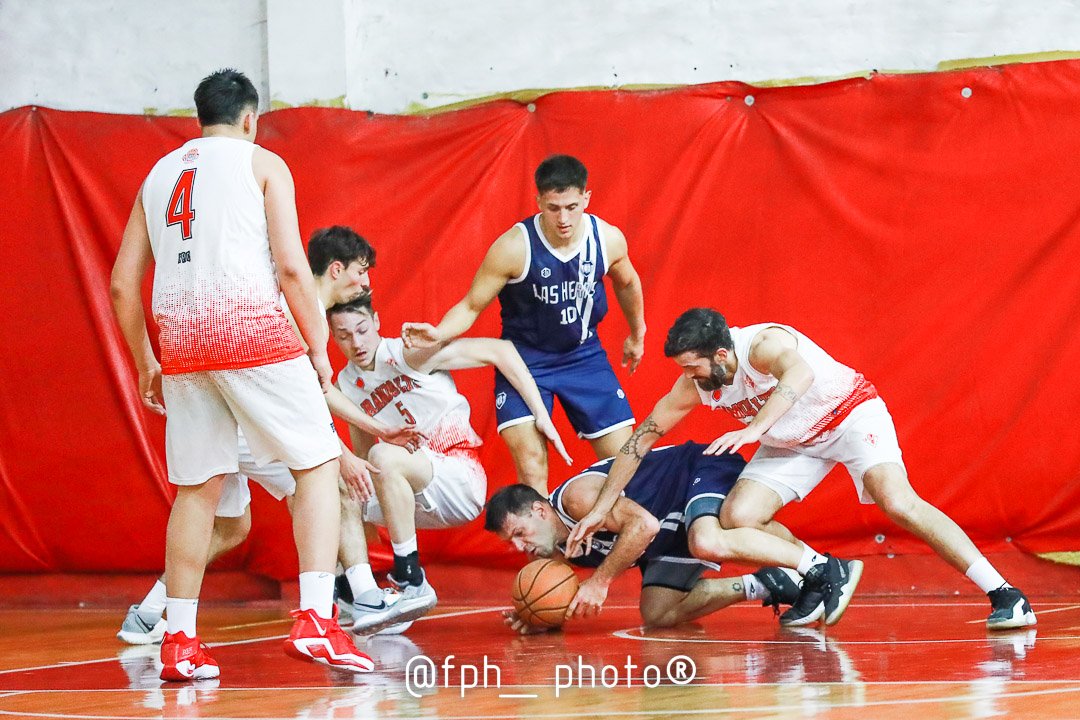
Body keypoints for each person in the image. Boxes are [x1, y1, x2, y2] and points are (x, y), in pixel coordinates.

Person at [110, 69, 372, 679]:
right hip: (248, 328)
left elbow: (124, 283)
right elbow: (288, 267)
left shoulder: (158, 174)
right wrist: (316, 347)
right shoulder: (262, 163)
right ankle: (316, 619)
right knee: (316, 463)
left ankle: (178, 640)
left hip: (180, 339)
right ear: (251, 118)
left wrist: (146, 359)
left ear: (198, 116)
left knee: (197, 489)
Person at [568, 309, 1036, 630]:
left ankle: (1003, 592)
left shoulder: (763, 344)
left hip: (848, 415)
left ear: (722, 355)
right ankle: (823, 573)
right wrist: (600, 508)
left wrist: (753, 430)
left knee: (897, 501)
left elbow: (800, 376)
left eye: (694, 368)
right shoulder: (695, 384)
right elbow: (639, 440)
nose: (690, 378)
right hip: (791, 441)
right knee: (736, 518)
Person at [116, 226, 419, 646]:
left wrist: (378, 428)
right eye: (362, 271)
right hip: (246, 419)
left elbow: (319, 390)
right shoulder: (299, 306)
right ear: (337, 269)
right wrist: (342, 452)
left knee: (229, 528)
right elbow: (304, 396)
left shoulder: (292, 302)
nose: (367, 281)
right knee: (333, 483)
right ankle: (363, 595)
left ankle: (149, 615)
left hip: (218, 405)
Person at [402, 155, 646, 491]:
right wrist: (438, 332)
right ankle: (542, 543)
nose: (564, 218)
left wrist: (637, 333)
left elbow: (628, 282)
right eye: (554, 207)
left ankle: (619, 540)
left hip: (583, 355)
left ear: (586, 198)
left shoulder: (607, 239)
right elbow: (471, 306)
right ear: (539, 202)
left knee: (625, 463)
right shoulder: (514, 247)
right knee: (532, 466)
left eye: (572, 207)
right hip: (525, 359)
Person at [330, 295, 572, 634]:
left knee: (383, 457)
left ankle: (411, 580)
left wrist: (542, 416)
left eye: (362, 330)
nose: (356, 342)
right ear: (331, 335)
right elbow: (364, 460)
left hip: (459, 476)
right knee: (331, 482)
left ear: (377, 321)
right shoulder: (344, 385)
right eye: (343, 335)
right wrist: (359, 520)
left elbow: (501, 351)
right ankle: (354, 595)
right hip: (409, 484)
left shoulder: (406, 353)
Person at [485, 443, 803, 631]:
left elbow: (644, 526)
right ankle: (768, 584)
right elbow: (556, 591)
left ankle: (813, 566)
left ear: (540, 511)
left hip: (696, 470)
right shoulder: (550, 547)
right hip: (669, 528)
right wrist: (537, 614)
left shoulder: (577, 499)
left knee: (707, 537)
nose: (517, 546)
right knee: (658, 613)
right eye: (509, 541)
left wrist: (599, 581)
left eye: (518, 533)